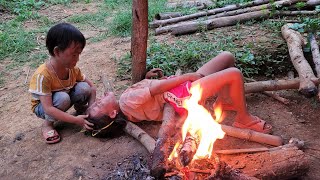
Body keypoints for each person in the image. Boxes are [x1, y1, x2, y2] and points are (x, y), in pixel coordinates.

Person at [86, 51, 272, 135]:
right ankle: (243, 118)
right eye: (99, 105)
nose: (98, 100)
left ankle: (225, 100)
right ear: (112, 113)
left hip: (178, 93)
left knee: (226, 57)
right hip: (185, 95)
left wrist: (147, 78)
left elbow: (150, 95)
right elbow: (158, 90)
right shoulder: (126, 101)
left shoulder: (128, 109)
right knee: (233, 73)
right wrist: (189, 76)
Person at [29, 23, 96, 144]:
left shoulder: (72, 69)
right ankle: (48, 125)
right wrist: (75, 120)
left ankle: (81, 109)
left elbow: (92, 87)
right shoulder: (43, 76)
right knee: (62, 98)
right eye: (74, 54)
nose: (77, 59)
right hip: (43, 107)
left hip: (62, 99)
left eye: (79, 54)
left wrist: (92, 109)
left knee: (84, 88)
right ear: (57, 51)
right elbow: (48, 108)